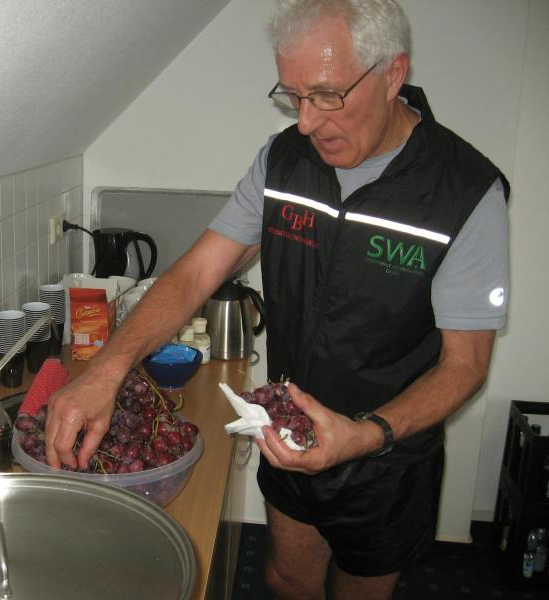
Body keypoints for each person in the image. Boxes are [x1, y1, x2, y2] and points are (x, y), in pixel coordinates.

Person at [45, 0, 509, 598]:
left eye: (327, 95)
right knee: (286, 578)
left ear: (394, 74)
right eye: (293, 96)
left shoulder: (465, 190)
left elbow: (465, 365)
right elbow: (194, 275)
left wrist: (365, 434)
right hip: (287, 427)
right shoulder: (284, 160)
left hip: (387, 454)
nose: (307, 123)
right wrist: (106, 371)